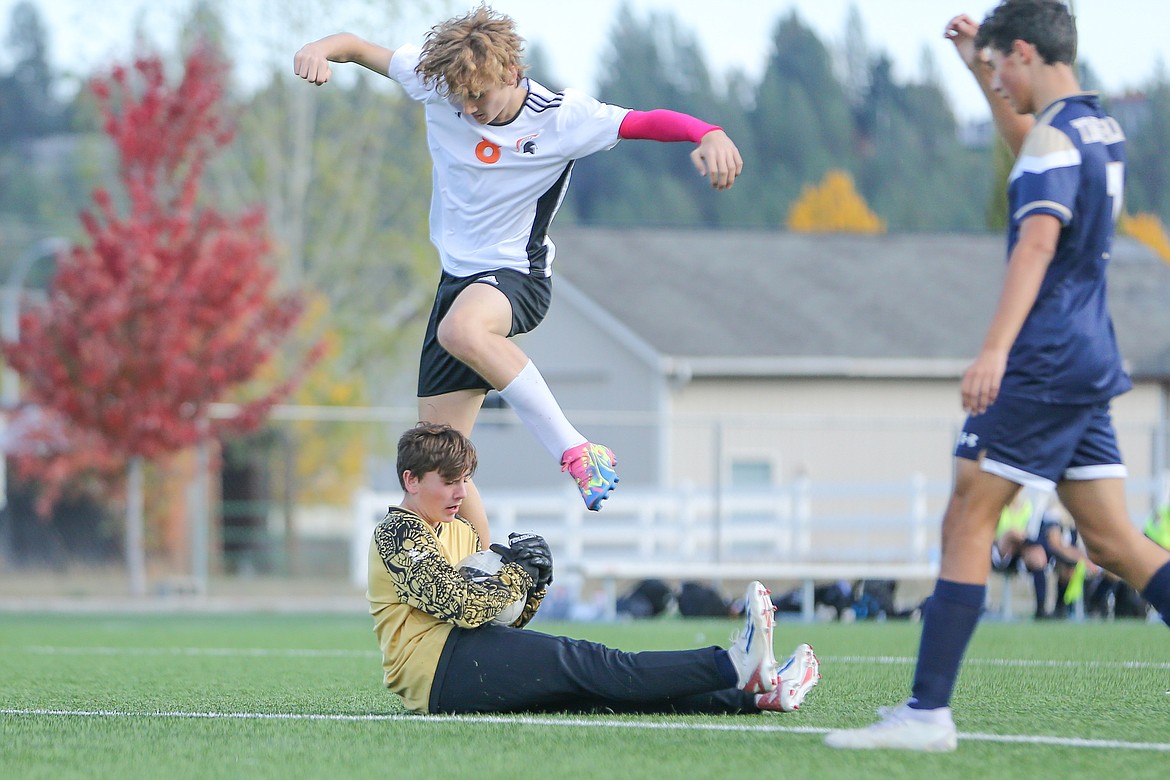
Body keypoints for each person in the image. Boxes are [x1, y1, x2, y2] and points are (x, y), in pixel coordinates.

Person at [826, 0, 1170, 752]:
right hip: (1088, 354)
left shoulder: (1054, 137)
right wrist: (978, 71)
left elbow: (1035, 247)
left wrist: (994, 352)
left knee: (966, 519)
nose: (999, 84)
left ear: (1023, 51)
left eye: (1001, 66)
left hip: (1044, 359)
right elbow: (1030, 142)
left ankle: (926, 715)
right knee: (1113, 540)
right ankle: (924, 712)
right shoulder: (1094, 126)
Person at [294, 5, 744, 542]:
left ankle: (577, 450)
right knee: (438, 463)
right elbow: (359, 47)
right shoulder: (441, 81)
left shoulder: (562, 118)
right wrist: (319, 49)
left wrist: (709, 132)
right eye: (459, 98)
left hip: (517, 277)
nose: (468, 108)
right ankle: (491, 578)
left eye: (478, 97)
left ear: (511, 74)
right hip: (457, 283)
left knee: (461, 331)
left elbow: (645, 122)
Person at [366, 422, 820, 715]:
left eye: (465, 480)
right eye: (449, 482)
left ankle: (757, 695)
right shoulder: (398, 532)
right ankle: (734, 665)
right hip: (438, 670)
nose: (461, 492)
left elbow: (502, 615)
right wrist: (518, 575)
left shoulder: (457, 528)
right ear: (411, 480)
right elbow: (460, 605)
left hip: (463, 653)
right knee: (596, 664)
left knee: (603, 689)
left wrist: (536, 583)